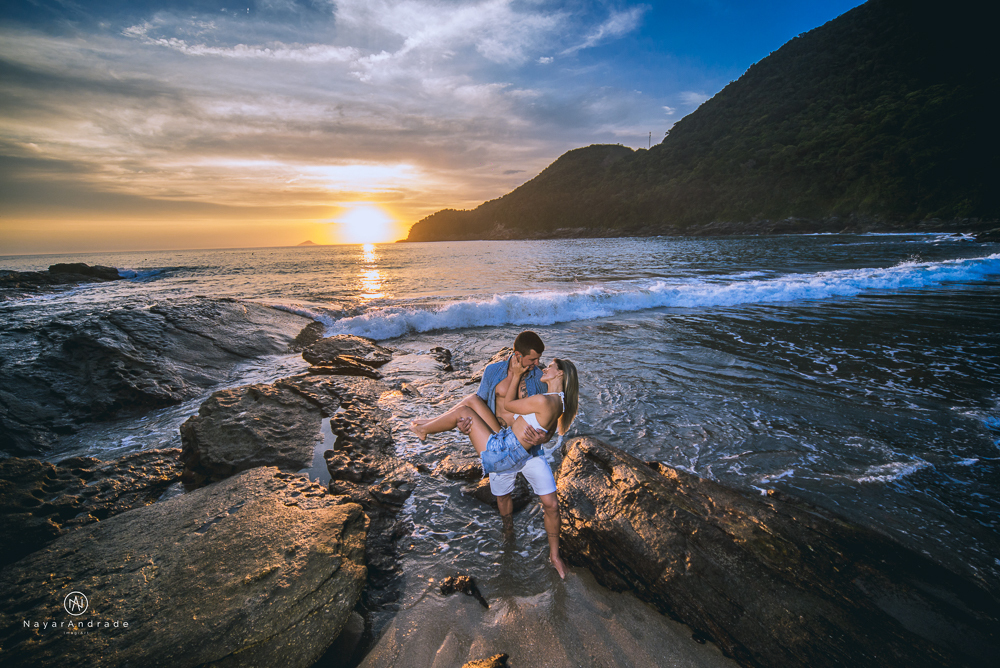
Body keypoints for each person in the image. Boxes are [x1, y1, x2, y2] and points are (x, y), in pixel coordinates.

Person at [410, 349, 579, 579]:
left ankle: (554, 557)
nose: (540, 365)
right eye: (534, 360)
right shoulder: (495, 373)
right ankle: (510, 531)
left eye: (544, 363)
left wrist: (543, 437)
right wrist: (463, 426)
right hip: (504, 437)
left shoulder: (540, 386)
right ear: (518, 354)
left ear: (559, 374)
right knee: (469, 403)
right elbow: (478, 407)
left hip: (516, 450)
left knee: (551, 505)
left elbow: (522, 411)